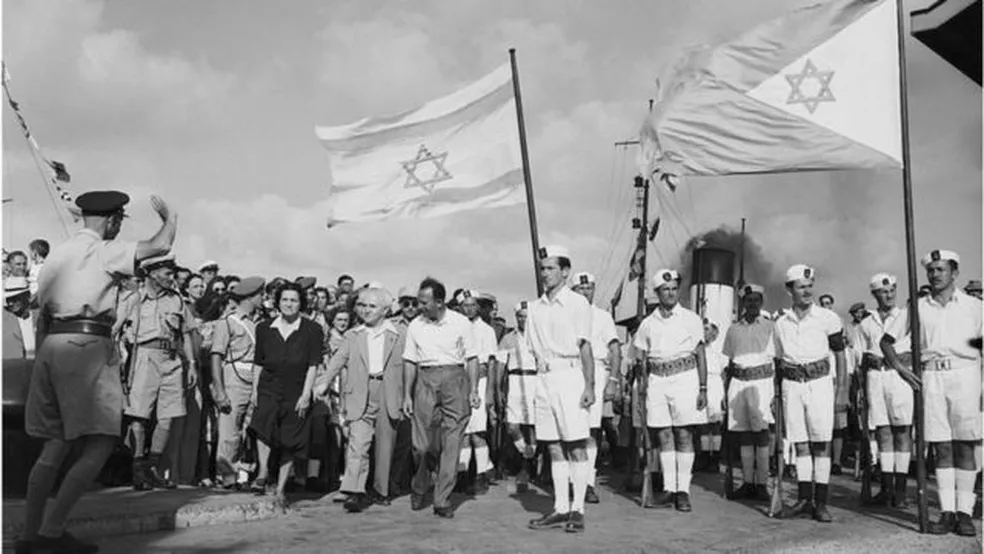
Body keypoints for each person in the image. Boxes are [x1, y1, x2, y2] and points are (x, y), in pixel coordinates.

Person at [19, 191, 176, 554]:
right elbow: (161, 245)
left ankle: (29, 536)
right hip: (86, 348)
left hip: (52, 345)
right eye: (119, 220)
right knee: (103, 440)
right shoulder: (104, 251)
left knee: (55, 444)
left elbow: (41, 312)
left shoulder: (56, 254)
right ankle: (51, 531)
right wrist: (170, 219)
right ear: (112, 219)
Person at [882, 249, 982, 536]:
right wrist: (901, 369)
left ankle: (964, 513)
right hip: (932, 377)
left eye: (941, 269)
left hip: (966, 375)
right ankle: (947, 512)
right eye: (931, 270)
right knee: (941, 448)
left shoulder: (974, 307)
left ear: (954, 272)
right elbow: (887, 341)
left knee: (965, 446)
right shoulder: (918, 307)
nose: (935, 275)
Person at [315, 287, 406, 512]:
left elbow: (411, 366)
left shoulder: (399, 334)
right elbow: (338, 359)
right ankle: (354, 490)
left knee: (385, 444)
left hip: (388, 391)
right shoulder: (353, 335)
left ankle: (381, 490)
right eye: (362, 305)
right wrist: (324, 381)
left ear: (385, 310)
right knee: (358, 444)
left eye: (372, 306)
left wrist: (409, 395)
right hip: (360, 392)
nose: (366, 310)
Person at [525, 245, 595, 533]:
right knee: (553, 446)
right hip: (544, 379)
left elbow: (585, 347)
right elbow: (533, 348)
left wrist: (589, 385)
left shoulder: (578, 304)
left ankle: (577, 510)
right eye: (542, 268)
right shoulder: (534, 307)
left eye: (551, 268)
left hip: (570, 377)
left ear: (565, 272)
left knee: (576, 445)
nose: (545, 274)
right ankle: (560, 508)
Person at [118, 253, 200, 490]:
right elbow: (117, 329)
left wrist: (192, 363)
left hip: (172, 360)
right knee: (139, 415)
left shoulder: (176, 300)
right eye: (167, 273)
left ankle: (152, 466)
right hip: (143, 357)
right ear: (153, 273)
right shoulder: (133, 299)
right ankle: (138, 468)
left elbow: (186, 333)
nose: (171, 278)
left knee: (168, 416)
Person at [773, 264, 847, 523]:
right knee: (800, 444)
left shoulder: (828, 318)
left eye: (809, 286)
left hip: (819, 384)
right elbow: (778, 361)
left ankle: (821, 503)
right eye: (801, 287)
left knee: (821, 443)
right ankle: (804, 499)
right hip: (792, 385)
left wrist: (842, 390)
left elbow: (840, 354)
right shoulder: (781, 323)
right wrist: (776, 395)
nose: (806, 291)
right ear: (789, 289)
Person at [402, 277, 479, 519]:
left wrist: (474, 389)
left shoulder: (460, 323)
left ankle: (442, 498)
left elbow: (473, 358)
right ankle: (419, 485)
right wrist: (407, 394)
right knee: (422, 445)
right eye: (418, 302)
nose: (420, 307)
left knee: (452, 441)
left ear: (439, 302)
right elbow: (409, 361)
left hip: (455, 379)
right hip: (425, 379)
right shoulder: (415, 325)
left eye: (424, 303)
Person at [633, 268, 707, 513]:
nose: (671, 293)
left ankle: (683, 491)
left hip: (685, 379)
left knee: (684, 435)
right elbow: (640, 360)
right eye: (666, 289)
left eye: (674, 289)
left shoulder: (691, 318)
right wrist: (641, 388)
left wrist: (703, 387)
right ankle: (669, 488)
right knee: (664, 435)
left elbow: (700, 354)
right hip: (657, 381)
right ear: (657, 292)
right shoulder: (647, 324)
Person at [250, 282, 324, 508]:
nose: (289, 304)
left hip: (297, 388)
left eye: (294, 300)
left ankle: (280, 489)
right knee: (262, 423)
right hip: (269, 385)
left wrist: (306, 395)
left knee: (290, 439)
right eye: (285, 299)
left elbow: (313, 365)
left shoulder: (312, 330)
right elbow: (258, 362)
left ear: (301, 303)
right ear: (277, 302)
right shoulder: (264, 328)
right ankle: (262, 471)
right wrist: (254, 390)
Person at [857, 273, 913, 508]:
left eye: (892, 291)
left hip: (899, 376)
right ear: (874, 294)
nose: (889, 296)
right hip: (875, 377)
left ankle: (900, 490)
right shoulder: (865, 323)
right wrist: (859, 390)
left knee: (902, 431)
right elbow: (859, 358)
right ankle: (886, 488)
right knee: (883, 432)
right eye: (883, 292)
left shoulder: (906, 317)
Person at [210, 276, 265, 490]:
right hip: (233, 378)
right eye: (260, 294)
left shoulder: (257, 322)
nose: (263, 298)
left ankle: (242, 474)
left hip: (253, 379)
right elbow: (216, 356)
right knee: (229, 431)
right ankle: (226, 476)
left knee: (247, 432)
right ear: (250, 297)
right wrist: (219, 390)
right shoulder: (228, 322)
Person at [571, 271, 621, 504]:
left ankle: (588, 483)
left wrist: (613, 381)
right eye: (581, 289)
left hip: (598, 372)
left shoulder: (603, 317)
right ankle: (571, 480)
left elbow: (615, 350)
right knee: (570, 430)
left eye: (589, 288)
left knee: (592, 431)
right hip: (570, 371)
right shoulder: (565, 315)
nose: (586, 292)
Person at [721, 284, 774, 501]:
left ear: (761, 302)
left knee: (761, 434)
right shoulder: (733, 329)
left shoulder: (771, 327)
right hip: (739, 382)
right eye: (748, 300)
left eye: (756, 300)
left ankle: (762, 483)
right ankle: (747, 482)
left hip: (762, 382)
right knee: (743, 434)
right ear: (742, 303)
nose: (752, 304)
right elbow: (728, 361)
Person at [458, 290, 498, 494]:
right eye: (465, 305)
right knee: (464, 432)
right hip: (460, 383)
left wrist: (490, 392)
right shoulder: (457, 328)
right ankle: (463, 474)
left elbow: (491, 363)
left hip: (480, 383)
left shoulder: (486, 330)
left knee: (479, 433)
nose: (470, 309)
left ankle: (481, 474)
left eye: (473, 305)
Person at [500, 301, 539, 492]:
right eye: (520, 316)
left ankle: (526, 468)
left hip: (534, 381)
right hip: (514, 381)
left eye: (526, 316)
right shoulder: (508, 338)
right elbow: (500, 364)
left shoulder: (539, 337)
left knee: (531, 426)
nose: (523, 320)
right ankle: (527, 454)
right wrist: (498, 387)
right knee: (512, 426)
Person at [3, 276, 36, 359]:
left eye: (14, 298)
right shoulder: (4, 322)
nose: (10, 303)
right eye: (8, 299)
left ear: (27, 296)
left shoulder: (41, 318)